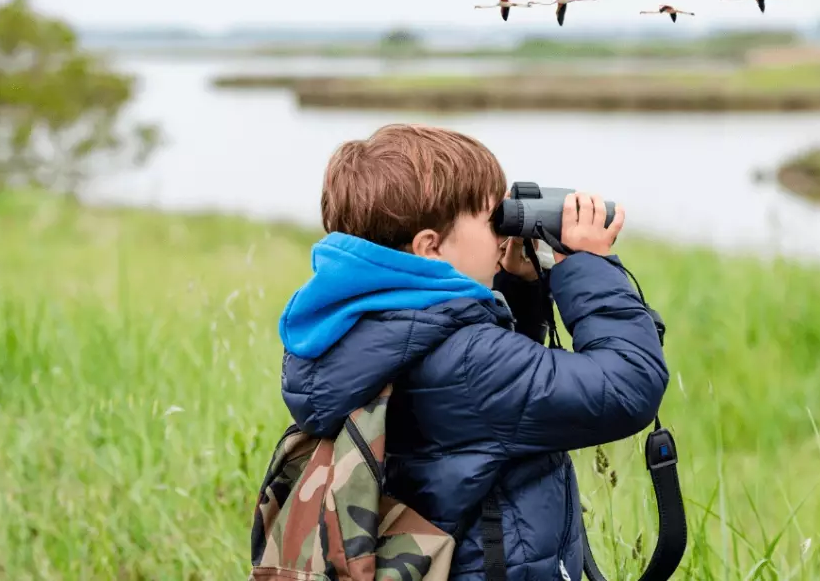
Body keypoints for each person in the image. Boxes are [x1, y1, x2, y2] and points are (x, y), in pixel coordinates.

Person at [277, 123, 669, 581]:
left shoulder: (358, 328)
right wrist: (587, 267)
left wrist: (520, 286)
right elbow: (627, 386)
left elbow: (485, 392)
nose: (502, 231)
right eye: (491, 220)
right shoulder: (470, 362)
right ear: (430, 248)